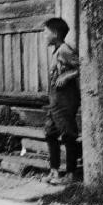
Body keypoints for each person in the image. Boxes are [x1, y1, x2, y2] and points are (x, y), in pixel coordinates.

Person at [43, 16, 80, 185]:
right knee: (50, 133)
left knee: (68, 135)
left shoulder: (65, 50)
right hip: (55, 100)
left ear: (56, 33)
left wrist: (66, 76)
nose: (44, 36)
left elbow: (82, 66)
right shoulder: (57, 51)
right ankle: (54, 171)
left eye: (46, 32)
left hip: (65, 100)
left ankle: (71, 175)